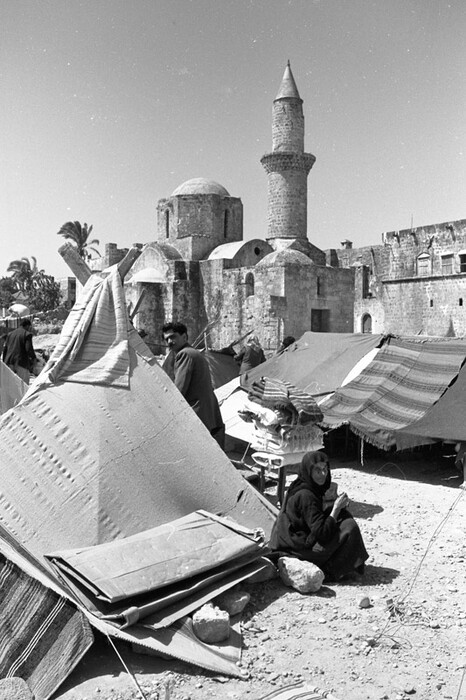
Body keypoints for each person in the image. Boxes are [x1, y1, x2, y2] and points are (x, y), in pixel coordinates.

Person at [270, 450, 368, 581]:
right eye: (317, 470)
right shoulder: (306, 495)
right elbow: (322, 533)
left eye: (325, 469)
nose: (323, 474)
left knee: (343, 516)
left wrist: (336, 510)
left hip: (291, 539)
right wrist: (336, 509)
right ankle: (330, 571)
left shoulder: (300, 485)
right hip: (297, 548)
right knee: (349, 527)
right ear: (308, 471)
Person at [162, 321, 225, 449]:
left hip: (197, 412)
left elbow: (179, 390)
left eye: (173, 337)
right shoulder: (194, 353)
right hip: (207, 413)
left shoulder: (185, 354)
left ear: (184, 337)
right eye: (166, 339)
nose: (169, 342)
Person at [2, 319, 37, 385]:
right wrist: (34, 359)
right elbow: (29, 349)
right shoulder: (27, 334)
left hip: (9, 361)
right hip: (21, 362)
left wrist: (4, 362)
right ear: (28, 326)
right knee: (23, 384)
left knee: (10, 384)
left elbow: (5, 349)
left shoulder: (10, 334)